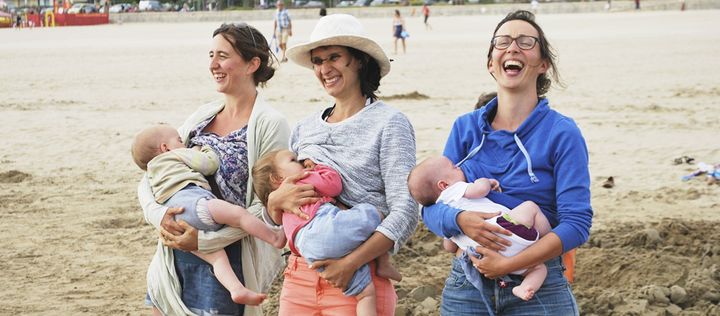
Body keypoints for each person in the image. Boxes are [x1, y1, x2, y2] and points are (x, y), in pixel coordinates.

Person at [421, 10, 592, 315]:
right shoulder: (465, 128)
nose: (512, 47)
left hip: (538, 283)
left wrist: (512, 263)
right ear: (491, 64)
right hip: (469, 282)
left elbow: (576, 225)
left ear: (543, 65)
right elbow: (432, 207)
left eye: (525, 42)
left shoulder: (562, 132)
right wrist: (459, 221)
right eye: (502, 42)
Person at [137, 23, 290, 316]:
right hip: (173, 252)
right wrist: (160, 218)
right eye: (211, 55)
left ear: (252, 64)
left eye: (222, 55)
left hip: (228, 259)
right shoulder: (201, 115)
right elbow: (152, 175)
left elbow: (269, 204)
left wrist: (205, 240)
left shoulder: (271, 123)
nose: (213, 65)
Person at [276, 13, 418, 315]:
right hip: (299, 277)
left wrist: (349, 264)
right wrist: (274, 201)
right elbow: (278, 216)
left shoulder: (390, 123)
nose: (325, 69)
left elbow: (405, 211)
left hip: (359, 279)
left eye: (334, 57)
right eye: (317, 61)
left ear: (360, 60)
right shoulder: (303, 128)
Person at [132, 125, 286, 306]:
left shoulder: (151, 172)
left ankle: (236, 289)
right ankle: (274, 237)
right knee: (238, 215)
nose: (184, 143)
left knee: (217, 258)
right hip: (194, 203)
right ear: (166, 148)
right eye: (179, 140)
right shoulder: (177, 154)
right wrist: (205, 149)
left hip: (176, 218)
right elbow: (209, 164)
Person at [252, 149, 403, 315]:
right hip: (324, 235)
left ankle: (381, 265)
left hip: (310, 254)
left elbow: (278, 223)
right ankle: (383, 262)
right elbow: (333, 184)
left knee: (364, 289)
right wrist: (320, 167)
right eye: (294, 160)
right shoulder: (300, 180)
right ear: (277, 178)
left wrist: (273, 202)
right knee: (372, 214)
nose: (302, 162)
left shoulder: (284, 203)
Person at [408, 156, 552, 301]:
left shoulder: (446, 217)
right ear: (444, 185)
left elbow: (449, 247)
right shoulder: (455, 189)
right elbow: (481, 189)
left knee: (538, 269)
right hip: (506, 230)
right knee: (530, 207)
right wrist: (486, 182)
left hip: (488, 254)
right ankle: (546, 237)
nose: (459, 167)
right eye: (454, 167)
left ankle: (525, 288)